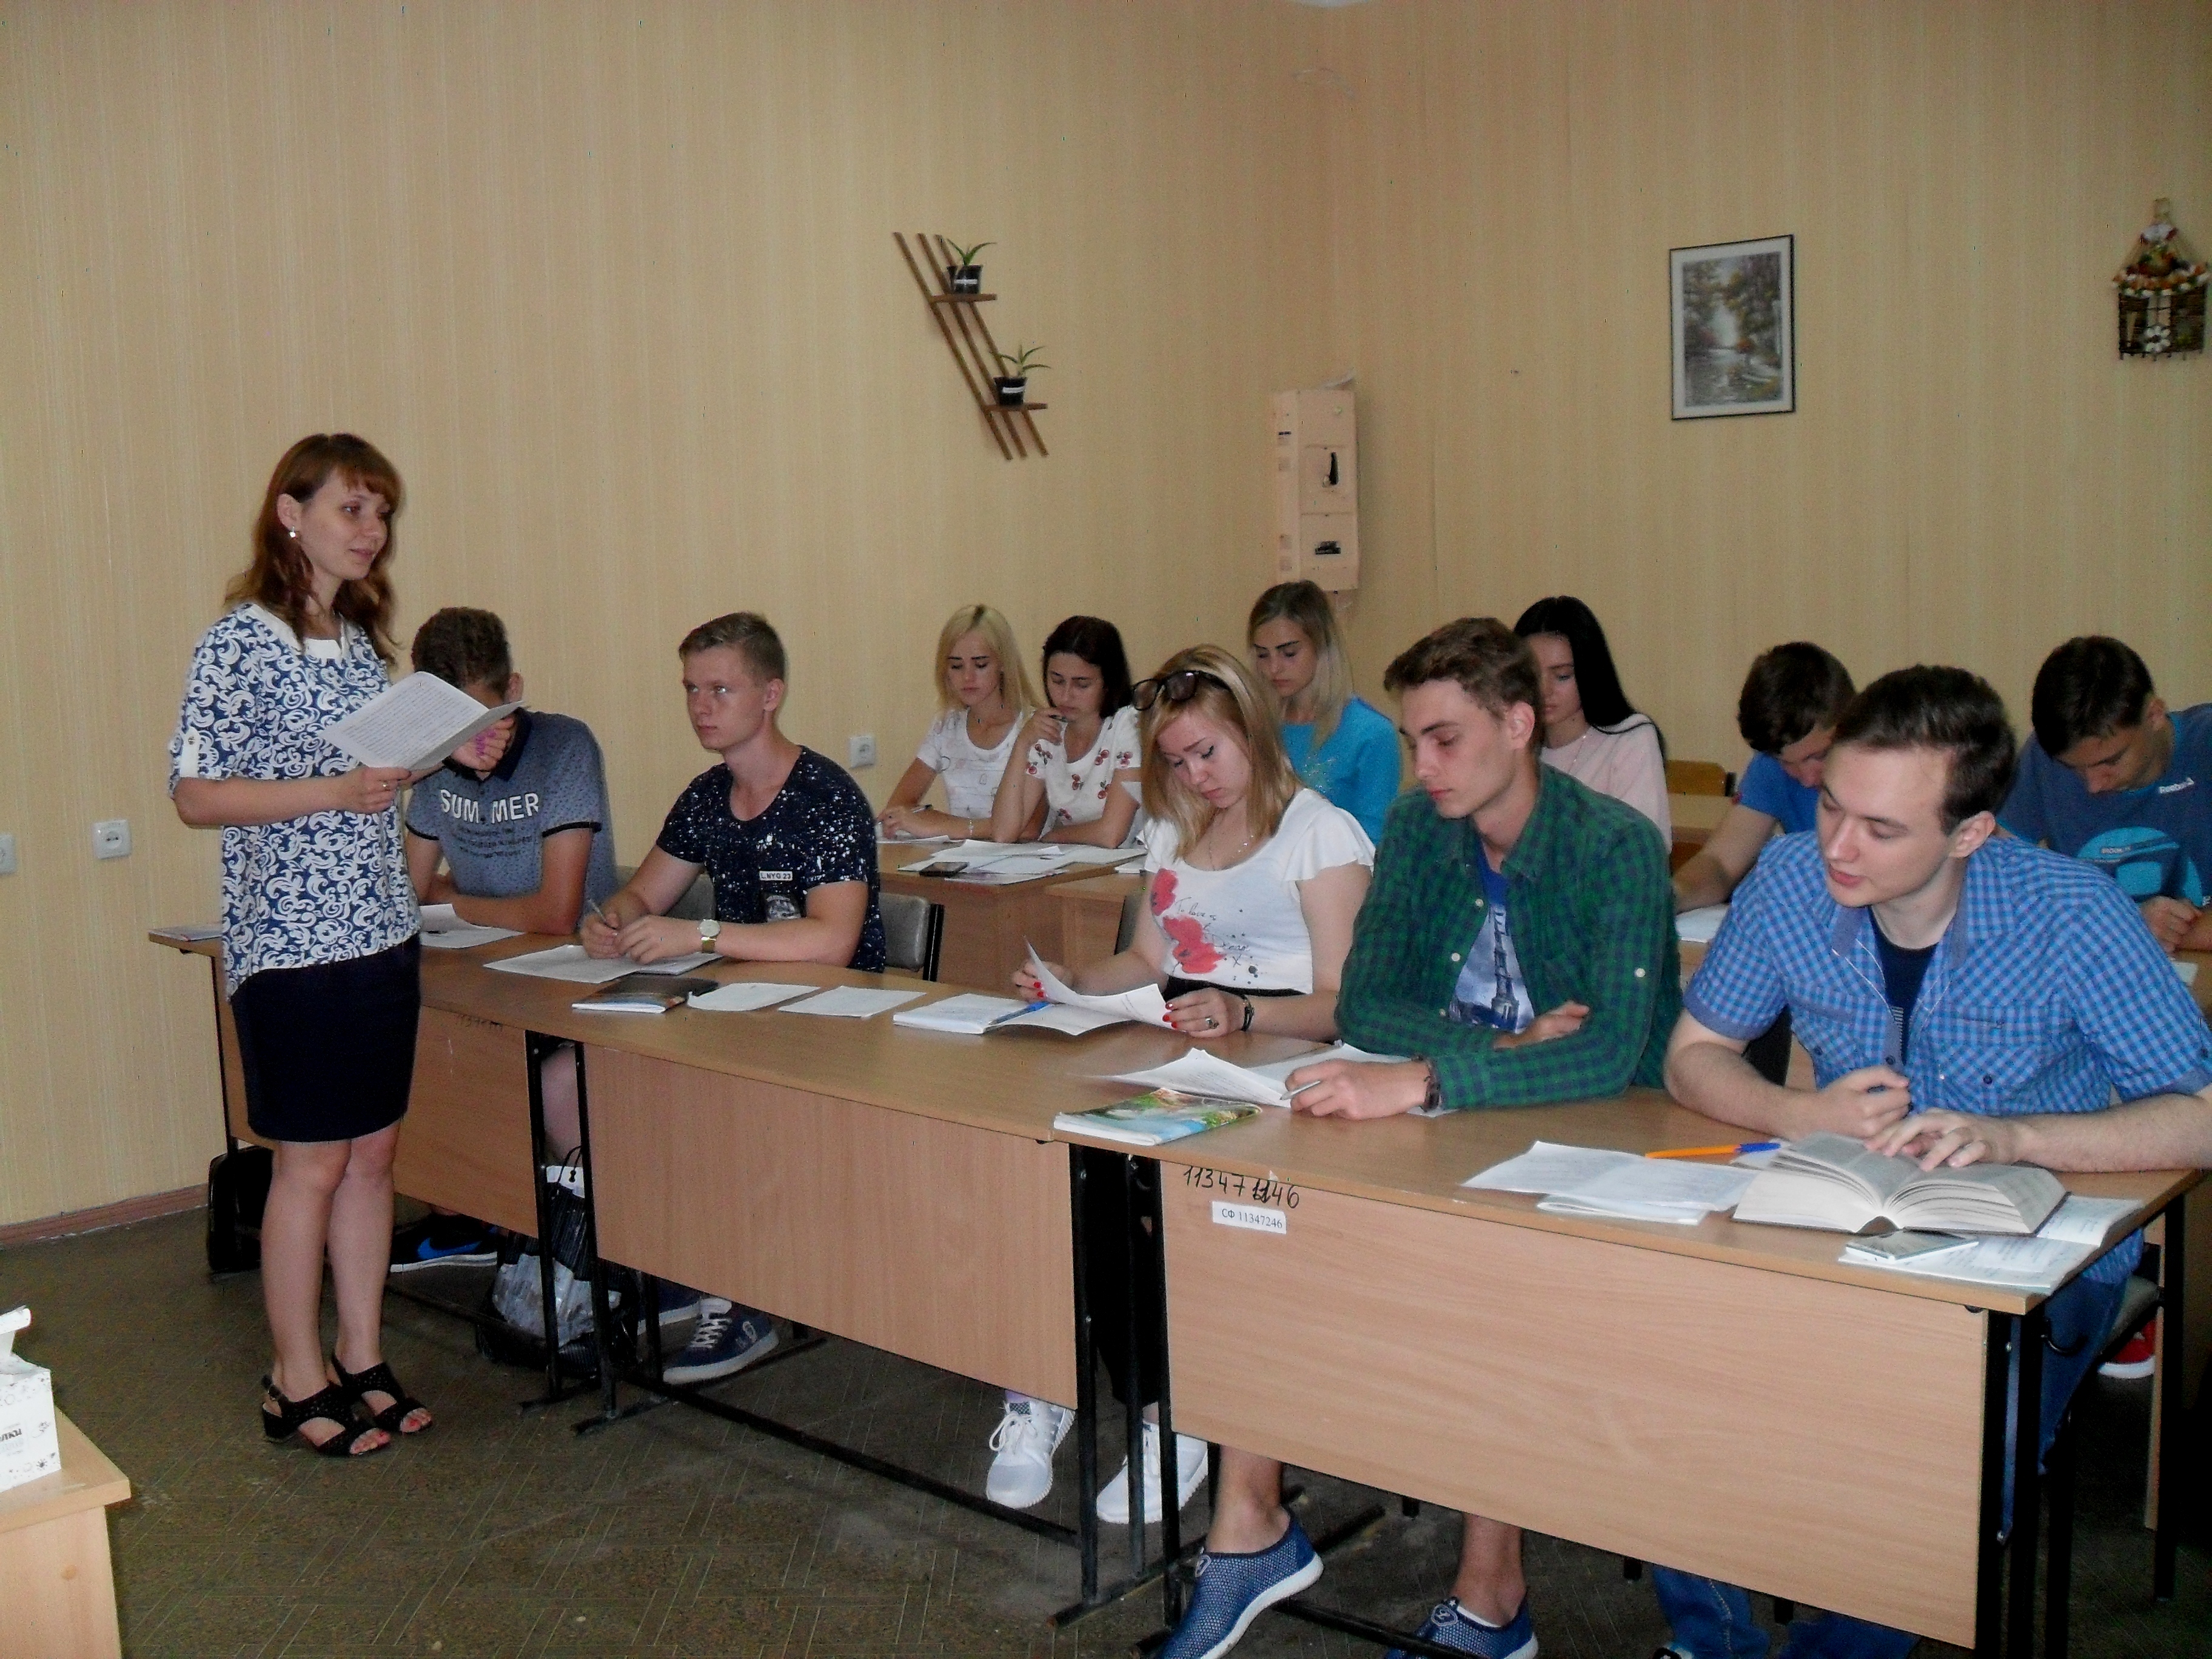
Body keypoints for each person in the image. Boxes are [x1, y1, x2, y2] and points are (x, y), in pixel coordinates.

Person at [1655, 665, 2212, 1659]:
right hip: (1838, 1212)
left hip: (2034, 1240)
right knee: (1662, 1371)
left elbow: (2202, 1116)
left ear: (1967, 833)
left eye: (1879, 828)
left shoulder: (2071, 915)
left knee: (1947, 1464)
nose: (1837, 843)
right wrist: (1794, 1108)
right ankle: (1713, 1639)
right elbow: (1691, 1055)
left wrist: (2015, 1137)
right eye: (1830, 804)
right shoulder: (1788, 880)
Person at [1252, 618, 1679, 1659]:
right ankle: (1253, 1521)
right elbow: (1364, 999)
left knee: (1497, 1288)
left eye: (1445, 738)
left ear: (1519, 723)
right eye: (1412, 740)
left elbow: (1614, 1056)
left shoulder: (1612, 845)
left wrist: (1431, 1072)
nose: (1423, 765)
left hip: (1599, 1137)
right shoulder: (1414, 829)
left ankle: (1491, 1598)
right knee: (1262, 1223)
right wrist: (1488, 1049)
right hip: (1464, 1115)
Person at [999, 648, 1373, 1539]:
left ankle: (1182, 1418)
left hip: (1288, 1072)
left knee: (1138, 1182)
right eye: (1174, 759)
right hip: (1191, 1060)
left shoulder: (1319, 834)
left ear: (1251, 732)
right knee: (1062, 1153)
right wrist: (1071, 982)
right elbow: (1145, 962)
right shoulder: (1171, 831)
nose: (1193, 776)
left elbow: (1344, 1003)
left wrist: (1244, 1007)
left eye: (1207, 753)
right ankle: (1074, 1384)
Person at [169, 433, 432, 1457]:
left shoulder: (360, 642)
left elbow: (365, 776)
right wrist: (335, 788)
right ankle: (295, 1373)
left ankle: (360, 1356)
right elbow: (195, 794)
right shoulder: (241, 641)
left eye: (380, 515)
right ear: (291, 513)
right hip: (292, 943)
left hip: (379, 930)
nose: (371, 533)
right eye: (351, 511)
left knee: (373, 1158)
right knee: (311, 1164)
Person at [584, 611, 886, 1382]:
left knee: (714, 1094)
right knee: (596, 1079)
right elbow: (645, 893)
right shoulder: (706, 795)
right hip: (741, 1005)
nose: (701, 706)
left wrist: (702, 937)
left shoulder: (824, 795)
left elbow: (833, 940)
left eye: (721, 688)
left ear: (771, 695)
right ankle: (687, 1261)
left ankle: (744, 1296)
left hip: (837, 1016)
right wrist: (611, 921)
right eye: (691, 690)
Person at [393, 607, 620, 1273]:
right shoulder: (435, 771)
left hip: (574, 971)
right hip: (485, 967)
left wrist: (453, 898)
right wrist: (456, 902)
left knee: (519, 1064)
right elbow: (409, 890)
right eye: (451, 728)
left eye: (483, 719)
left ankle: (575, 1241)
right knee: (418, 1037)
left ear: (514, 690)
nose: (476, 745)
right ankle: (468, 1217)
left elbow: (556, 912)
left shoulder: (564, 749)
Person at [2000, 634, 2212, 954]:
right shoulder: (2044, 758)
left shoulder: (2205, 745)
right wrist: (2130, 925)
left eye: (2110, 762)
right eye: (2074, 769)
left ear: (2154, 716)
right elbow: (1994, 886)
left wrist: (2152, 932)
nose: (2094, 786)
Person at [1672, 642, 1855, 911]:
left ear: (1853, 722)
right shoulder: (1769, 767)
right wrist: (1668, 897)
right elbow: (1721, 864)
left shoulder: (1888, 764)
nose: (1805, 779)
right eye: (1787, 763)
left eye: (1819, 756)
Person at [1247, 579, 1401, 841]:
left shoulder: (1371, 735)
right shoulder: (1253, 727)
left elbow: (1374, 843)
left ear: (1322, 647)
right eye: (1263, 655)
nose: (1273, 669)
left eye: (1289, 653)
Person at [1513, 595, 1670, 840]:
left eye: (1563, 676)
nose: (1544, 691)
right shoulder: (1514, 743)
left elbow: (1645, 849)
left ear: (1590, 672)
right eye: (1531, 674)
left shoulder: (1631, 738)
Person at [879, 605, 1039, 843]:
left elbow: (1028, 829)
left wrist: (942, 824)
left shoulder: (1035, 728)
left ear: (1004, 663)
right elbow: (897, 808)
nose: (968, 677)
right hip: (965, 862)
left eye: (981, 665)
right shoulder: (947, 725)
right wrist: (929, 821)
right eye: (956, 666)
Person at [989, 615, 1143, 846]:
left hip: (1130, 868)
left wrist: (1054, 837)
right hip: (1076, 866)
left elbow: (1111, 835)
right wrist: (1022, 744)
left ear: (1109, 682)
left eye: (1082, 684)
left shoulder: (1127, 724)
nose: (1066, 695)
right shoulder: (1048, 729)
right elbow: (1003, 833)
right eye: (1057, 681)